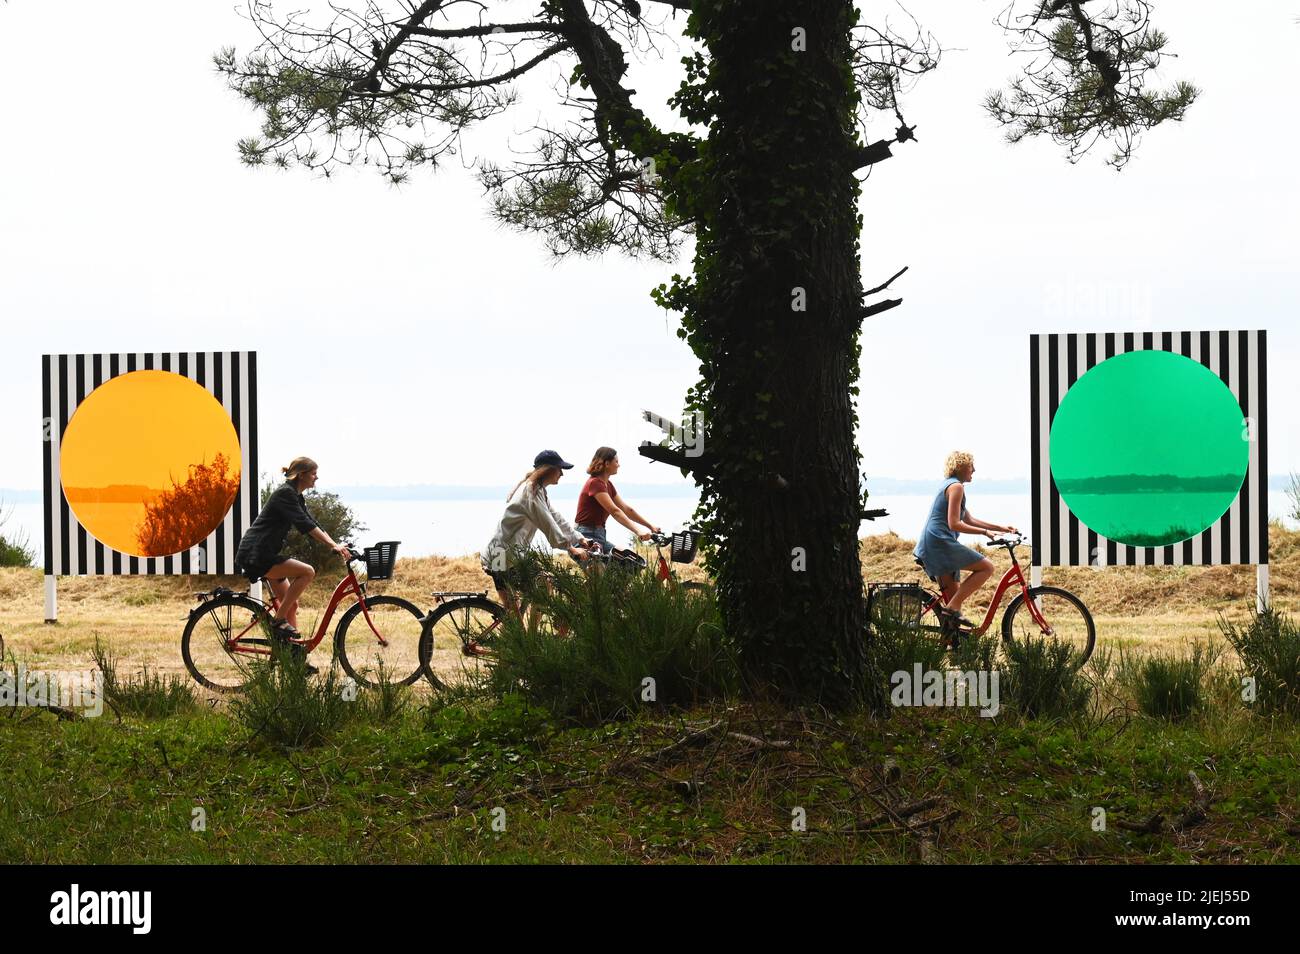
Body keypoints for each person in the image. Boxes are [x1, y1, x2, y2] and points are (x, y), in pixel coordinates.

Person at [235, 457, 351, 649]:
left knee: (292, 606)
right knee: (307, 572)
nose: (316, 477)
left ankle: (294, 654)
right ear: (302, 475)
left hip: (264, 552)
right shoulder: (285, 494)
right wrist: (332, 545)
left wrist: (335, 544)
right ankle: (278, 621)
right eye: (313, 473)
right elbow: (304, 525)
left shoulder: (295, 495)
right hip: (257, 554)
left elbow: (313, 522)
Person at [913, 451, 1019, 630]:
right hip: (939, 543)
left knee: (954, 609)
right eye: (971, 466)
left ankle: (953, 645)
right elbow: (954, 523)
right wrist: (985, 532)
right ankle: (951, 609)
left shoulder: (952, 486)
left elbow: (969, 519)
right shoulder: (956, 487)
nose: (974, 470)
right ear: (960, 467)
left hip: (934, 543)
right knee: (987, 567)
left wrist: (1000, 528)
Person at [482, 450, 595, 615]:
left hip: (503, 553)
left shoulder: (538, 490)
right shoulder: (531, 493)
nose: (562, 474)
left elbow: (555, 517)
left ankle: (522, 639)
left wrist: (579, 537)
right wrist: (570, 548)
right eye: (559, 469)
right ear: (548, 470)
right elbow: (547, 523)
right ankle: (532, 639)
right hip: (502, 555)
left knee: (513, 610)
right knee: (543, 584)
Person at [574, 447, 662, 554]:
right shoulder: (595, 483)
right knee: (601, 570)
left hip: (599, 535)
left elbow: (626, 509)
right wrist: (638, 531)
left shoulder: (608, 485)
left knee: (628, 562)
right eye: (616, 461)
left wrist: (650, 526)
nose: (618, 465)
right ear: (606, 464)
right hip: (585, 536)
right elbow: (615, 511)